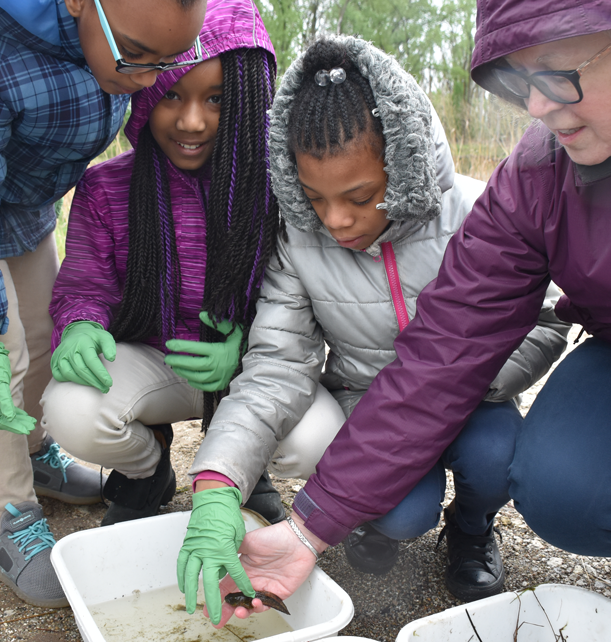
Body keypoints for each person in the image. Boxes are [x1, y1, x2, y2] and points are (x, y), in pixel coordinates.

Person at [212, 0, 611, 639]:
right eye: (519, 81)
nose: (535, 107)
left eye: (557, 72)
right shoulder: (537, 177)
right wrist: (309, 527)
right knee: (566, 493)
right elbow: (443, 352)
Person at [175, 36, 570, 624]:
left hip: (476, 402)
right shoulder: (299, 240)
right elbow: (275, 367)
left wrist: (454, 387)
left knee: (499, 458)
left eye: (361, 196)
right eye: (314, 197)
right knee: (403, 512)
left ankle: (470, 527)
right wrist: (215, 483)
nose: (335, 220)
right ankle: (375, 521)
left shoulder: (481, 212)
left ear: (404, 163)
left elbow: (547, 318)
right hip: (371, 407)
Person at [0, 0, 208, 608]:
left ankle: (36, 455)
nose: (147, 78)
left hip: (26, 207)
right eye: (135, 57)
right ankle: (8, 516)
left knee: (42, 335)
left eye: (163, 62)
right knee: (0, 351)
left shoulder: (128, 37)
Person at [41, 0, 283, 527]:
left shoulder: (279, 188)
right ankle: (149, 468)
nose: (192, 121)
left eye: (217, 99)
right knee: (72, 409)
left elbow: (300, 298)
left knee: (316, 434)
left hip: (252, 368)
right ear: (145, 89)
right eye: (171, 94)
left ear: (247, 98)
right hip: (154, 363)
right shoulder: (106, 188)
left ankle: (247, 462)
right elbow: (87, 285)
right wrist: (80, 325)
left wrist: (247, 346)